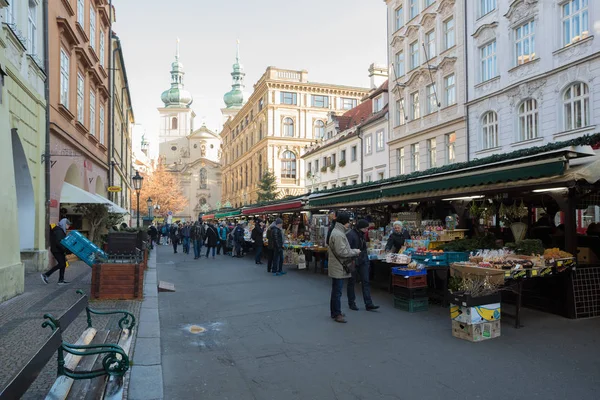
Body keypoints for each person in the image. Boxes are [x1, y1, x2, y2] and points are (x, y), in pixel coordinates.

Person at [328, 212, 361, 323]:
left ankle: (335, 312)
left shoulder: (338, 232)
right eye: (348, 222)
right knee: (337, 291)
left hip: (337, 265)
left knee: (336, 291)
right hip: (338, 266)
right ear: (344, 222)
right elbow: (342, 252)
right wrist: (355, 251)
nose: (349, 224)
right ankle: (337, 314)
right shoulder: (338, 234)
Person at [347, 219, 379, 311]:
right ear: (361, 228)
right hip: (353, 260)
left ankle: (368, 303)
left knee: (365, 281)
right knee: (352, 282)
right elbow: (348, 249)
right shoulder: (351, 235)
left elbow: (364, 248)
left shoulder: (361, 235)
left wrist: (365, 259)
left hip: (362, 261)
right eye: (365, 228)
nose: (367, 230)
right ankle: (351, 303)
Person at [41, 218, 72, 285]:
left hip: (59, 250)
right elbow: (59, 242)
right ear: (64, 224)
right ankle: (46, 275)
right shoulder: (58, 231)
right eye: (68, 224)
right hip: (56, 250)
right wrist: (65, 250)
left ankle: (61, 280)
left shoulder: (60, 230)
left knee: (63, 264)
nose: (68, 226)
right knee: (61, 264)